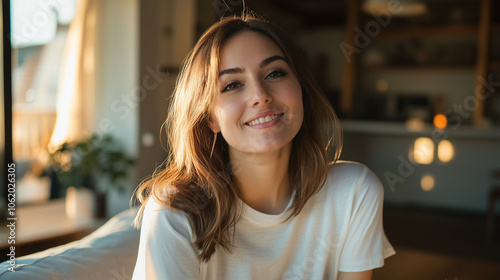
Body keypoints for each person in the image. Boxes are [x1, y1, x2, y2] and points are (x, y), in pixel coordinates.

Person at [132, 13, 395, 280]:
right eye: (232, 85)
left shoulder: (354, 192)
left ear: (301, 90)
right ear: (210, 118)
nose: (260, 95)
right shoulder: (174, 215)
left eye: (275, 73)